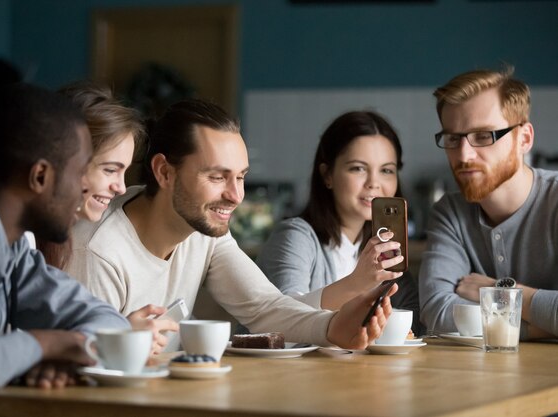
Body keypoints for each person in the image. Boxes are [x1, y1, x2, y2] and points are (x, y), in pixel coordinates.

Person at [66, 98, 397, 351]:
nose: (236, 195)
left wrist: (333, 327)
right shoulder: (98, 251)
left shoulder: (202, 229)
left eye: (240, 177)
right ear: (165, 172)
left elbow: (265, 307)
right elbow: (88, 373)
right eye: (216, 176)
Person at [0, 83, 130, 405]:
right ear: (40, 176)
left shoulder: (11, 249)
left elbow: (111, 324)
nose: (84, 186)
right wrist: (42, 346)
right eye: (80, 171)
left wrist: (62, 352)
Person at [36, 81, 178, 353]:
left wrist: (118, 332)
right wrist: (117, 336)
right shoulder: (41, 243)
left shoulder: (56, 238)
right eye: (110, 170)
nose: (122, 188)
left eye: (124, 172)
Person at [419, 67, 558, 340]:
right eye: (453, 138)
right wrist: (544, 326)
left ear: (524, 139)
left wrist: (501, 291)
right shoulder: (449, 213)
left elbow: (455, 318)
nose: (464, 154)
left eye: (483, 136)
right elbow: (437, 313)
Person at [256, 111, 421, 334]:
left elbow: (412, 325)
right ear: (327, 175)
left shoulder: (382, 250)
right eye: (358, 168)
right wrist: (356, 283)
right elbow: (281, 322)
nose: (374, 183)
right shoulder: (296, 236)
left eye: (386, 170)